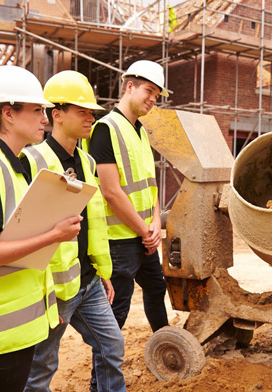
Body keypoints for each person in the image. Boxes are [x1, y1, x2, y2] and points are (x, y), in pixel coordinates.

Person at [0, 65, 82, 392]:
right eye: (38, 109)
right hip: (1, 325)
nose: (45, 117)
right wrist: (54, 235)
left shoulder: (19, 165)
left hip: (19, 322)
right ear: (9, 114)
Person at [22, 71, 126, 392]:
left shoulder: (88, 161)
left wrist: (102, 269)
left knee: (112, 347)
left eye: (92, 112)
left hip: (88, 279)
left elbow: (93, 221)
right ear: (57, 114)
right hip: (54, 286)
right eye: (82, 111)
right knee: (42, 366)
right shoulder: (32, 160)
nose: (90, 117)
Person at [84, 60, 169, 333]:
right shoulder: (104, 129)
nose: (153, 98)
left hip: (144, 235)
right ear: (129, 87)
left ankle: (165, 345)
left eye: (157, 94)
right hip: (120, 240)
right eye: (149, 90)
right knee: (117, 310)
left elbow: (149, 186)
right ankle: (102, 376)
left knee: (156, 288)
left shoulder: (141, 131)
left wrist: (156, 223)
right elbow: (111, 191)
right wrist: (145, 230)